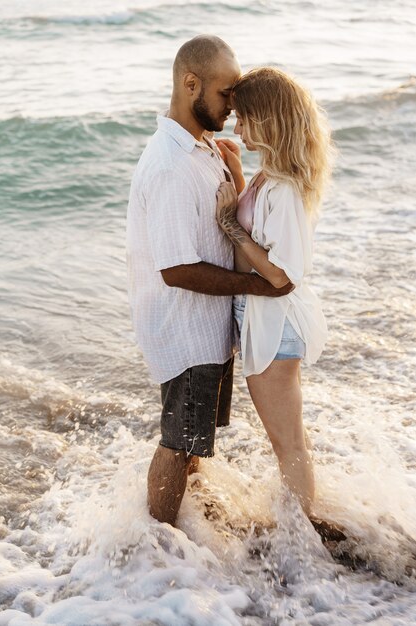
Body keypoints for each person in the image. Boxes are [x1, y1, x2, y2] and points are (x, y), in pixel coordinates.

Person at [126, 38, 292, 527]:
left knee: (194, 440)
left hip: (208, 328)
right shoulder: (171, 165)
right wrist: (259, 288)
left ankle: (186, 531)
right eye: (225, 94)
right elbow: (176, 269)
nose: (232, 105)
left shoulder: (202, 148)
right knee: (177, 443)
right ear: (190, 84)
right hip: (184, 331)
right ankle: (157, 546)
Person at [215, 67, 333, 518]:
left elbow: (281, 276)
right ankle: (298, 528)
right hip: (265, 319)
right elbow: (262, 232)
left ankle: (302, 539)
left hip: (276, 320)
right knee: (286, 441)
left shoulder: (283, 188)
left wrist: (227, 223)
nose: (237, 127)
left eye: (244, 119)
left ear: (267, 119)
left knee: (288, 443)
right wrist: (240, 180)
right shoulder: (270, 177)